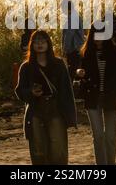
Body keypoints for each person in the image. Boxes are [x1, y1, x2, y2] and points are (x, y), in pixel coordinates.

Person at [15, 30, 77, 165]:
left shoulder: (59, 64)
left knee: (58, 151)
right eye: (36, 41)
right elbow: (19, 91)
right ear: (31, 45)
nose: (39, 44)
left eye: (43, 41)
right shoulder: (26, 67)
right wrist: (31, 93)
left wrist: (70, 116)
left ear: (48, 44)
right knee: (38, 152)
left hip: (56, 110)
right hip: (35, 111)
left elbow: (66, 91)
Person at [76, 25, 116, 165]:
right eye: (95, 35)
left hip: (111, 96)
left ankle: (111, 162)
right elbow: (79, 69)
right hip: (93, 97)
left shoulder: (115, 51)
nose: (98, 38)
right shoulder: (87, 51)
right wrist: (79, 72)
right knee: (98, 135)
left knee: (110, 136)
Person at [61, 0, 85, 83]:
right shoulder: (75, 16)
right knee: (75, 71)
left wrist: (65, 50)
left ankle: (71, 92)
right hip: (77, 48)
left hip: (73, 49)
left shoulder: (72, 18)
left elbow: (69, 35)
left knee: (72, 72)